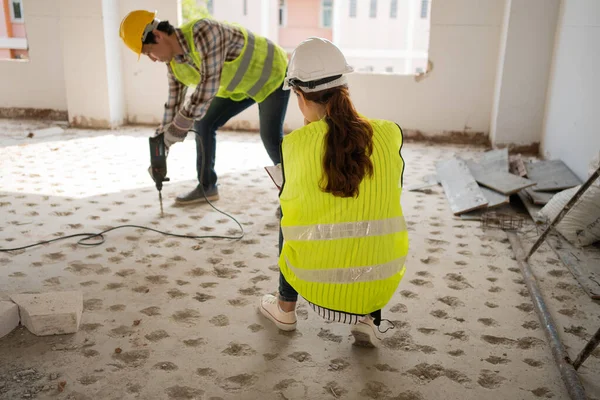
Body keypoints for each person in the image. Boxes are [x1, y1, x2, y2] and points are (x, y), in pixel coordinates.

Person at [258, 37, 409, 347]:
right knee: (374, 205)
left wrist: (309, 130)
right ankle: (368, 317)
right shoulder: (388, 132)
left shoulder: (296, 146)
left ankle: (285, 308)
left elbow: (294, 206)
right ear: (344, 87)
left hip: (316, 282)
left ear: (298, 94)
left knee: (289, 214)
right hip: (382, 279)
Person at [119, 10, 290, 204]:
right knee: (204, 123)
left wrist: (176, 129)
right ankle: (207, 187)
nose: (153, 59)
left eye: (149, 52)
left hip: (270, 73)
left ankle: (295, 194)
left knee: (270, 137)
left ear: (157, 36)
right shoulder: (173, 64)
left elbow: (208, 85)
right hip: (239, 87)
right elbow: (173, 104)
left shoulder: (203, 31)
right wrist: (161, 143)